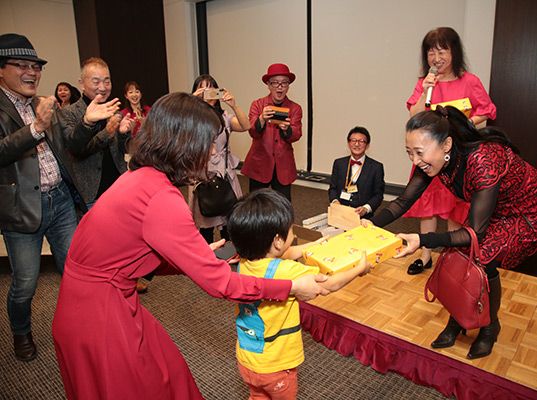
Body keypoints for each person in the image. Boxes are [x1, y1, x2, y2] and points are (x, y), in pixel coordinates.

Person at [51, 92, 330, 400]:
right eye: (208, 141)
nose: (213, 150)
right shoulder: (162, 198)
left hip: (85, 301)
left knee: (166, 374)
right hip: (100, 316)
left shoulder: (141, 176)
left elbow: (128, 255)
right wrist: (290, 287)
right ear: (185, 143)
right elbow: (222, 285)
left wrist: (195, 258)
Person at [367, 106, 537, 360]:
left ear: (446, 145)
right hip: (494, 206)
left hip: (531, 210)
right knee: (457, 255)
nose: (415, 160)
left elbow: (474, 235)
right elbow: (403, 201)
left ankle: (489, 327)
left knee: (484, 258)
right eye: (409, 152)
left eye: (419, 152)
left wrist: (422, 240)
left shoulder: (483, 161)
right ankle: (458, 319)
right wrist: (370, 225)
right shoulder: (432, 161)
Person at [228, 189, 373, 399]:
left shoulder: (244, 263)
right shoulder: (287, 271)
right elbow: (331, 284)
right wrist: (359, 269)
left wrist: (314, 245)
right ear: (277, 240)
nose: (294, 234)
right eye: (291, 230)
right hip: (276, 367)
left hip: (248, 361)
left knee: (258, 396)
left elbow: (285, 253)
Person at [0, 33, 87, 362]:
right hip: (22, 209)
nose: (31, 72)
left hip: (60, 201)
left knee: (75, 272)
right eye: (21, 65)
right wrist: (36, 127)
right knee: (25, 283)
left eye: (36, 66)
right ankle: (21, 332)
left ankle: (79, 326)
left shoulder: (42, 104)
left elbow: (71, 142)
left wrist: (90, 123)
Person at [403, 27, 497, 275]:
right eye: (431, 52)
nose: (436, 58)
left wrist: (463, 125)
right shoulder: (425, 83)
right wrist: (425, 90)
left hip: (457, 157)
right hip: (429, 157)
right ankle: (425, 256)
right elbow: (414, 116)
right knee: (428, 208)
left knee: (455, 208)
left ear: (454, 51)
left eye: (441, 51)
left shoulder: (470, 81)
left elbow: (487, 110)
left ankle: (450, 258)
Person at [61, 57, 135, 210]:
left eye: (107, 82)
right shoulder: (69, 113)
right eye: (96, 82)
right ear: (81, 83)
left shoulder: (114, 111)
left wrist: (123, 134)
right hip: (92, 194)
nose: (102, 87)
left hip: (120, 187)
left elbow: (125, 149)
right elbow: (77, 151)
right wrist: (107, 133)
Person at [189, 74, 250, 243]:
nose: (207, 92)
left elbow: (246, 126)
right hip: (202, 174)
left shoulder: (224, 116)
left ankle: (231, 256)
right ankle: (206, 257)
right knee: (206, 224)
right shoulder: (191, 117)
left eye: (211, 88)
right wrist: (191, 103)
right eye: (202, 88)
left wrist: (234, 104)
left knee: (230, 223)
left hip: (225, 173)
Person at [241, 63, 302, 201]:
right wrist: (261, 119)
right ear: (268, 85)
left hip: (283, 166)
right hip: (259, 164)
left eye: (284, 83)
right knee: (256, 204)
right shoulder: (257, 105)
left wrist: (287, 130)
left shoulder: (295, 108)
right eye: (275, 83)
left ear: (288, 86)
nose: (280, 87)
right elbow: (252, 132)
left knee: (283, 205)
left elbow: (297, 134)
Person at [328, 126, 385, 220]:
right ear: (348, 143)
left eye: (361, 141)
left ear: (367, 145)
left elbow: (378, 195)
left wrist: (366, 208)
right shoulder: (339, 163)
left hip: (363, 218)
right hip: (340, 214)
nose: (357, 144)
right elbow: (333, 188)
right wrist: (335, 201)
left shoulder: (376, 167)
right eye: (353, 140)